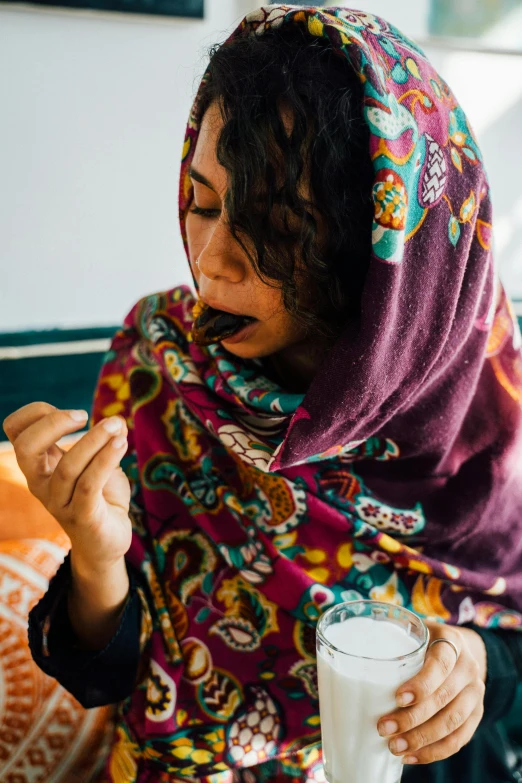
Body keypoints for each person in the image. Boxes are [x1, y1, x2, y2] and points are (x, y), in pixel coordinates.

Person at [3, 6, 522, 782]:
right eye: (205, 202)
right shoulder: (158, 360)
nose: (209, 263)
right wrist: (98, 555)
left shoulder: (487, 419)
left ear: (376, 247)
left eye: (273, 226)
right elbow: (99, 674)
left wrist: (475, 662)